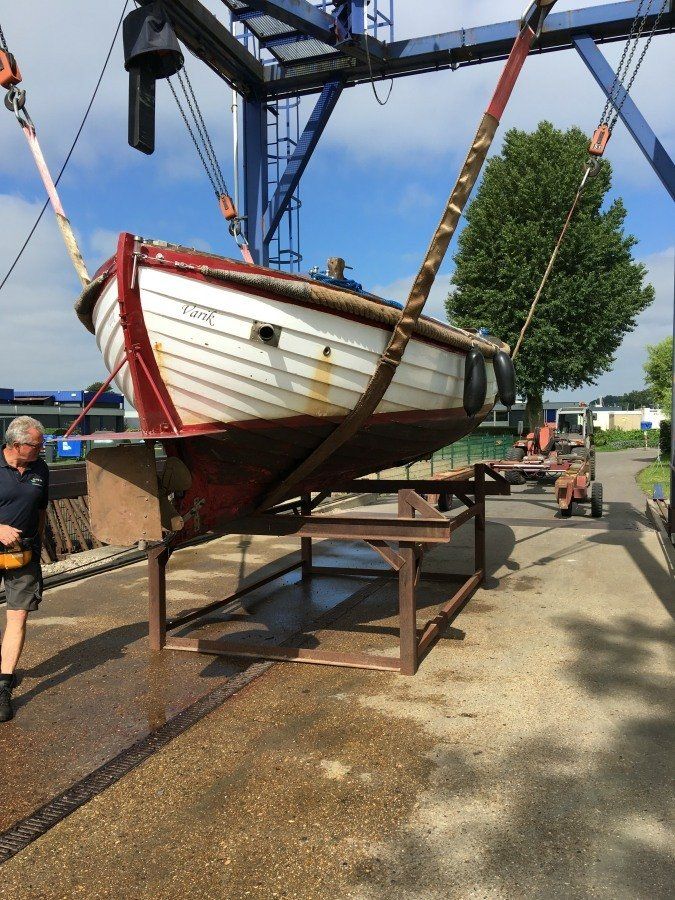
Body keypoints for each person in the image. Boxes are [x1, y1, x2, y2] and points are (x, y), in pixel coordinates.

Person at [0, 416, 49, 722]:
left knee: (17, 616)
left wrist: (39, 546)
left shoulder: (40, 469)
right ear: (16, 444)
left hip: (23, 555)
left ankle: (4, 685)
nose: (41, 449)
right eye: (36, 444)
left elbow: (41, 509)